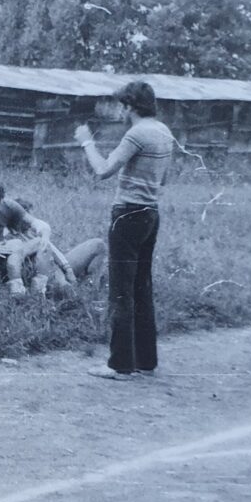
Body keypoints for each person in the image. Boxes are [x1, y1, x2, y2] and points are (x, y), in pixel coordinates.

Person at [74, 80, 174, 380]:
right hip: (150, 214)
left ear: (130, 106)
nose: (119, 110)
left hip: (127, 215)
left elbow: (103, 170)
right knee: (142, 289)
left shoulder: (137, 132)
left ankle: (119, 364)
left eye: (122, 105)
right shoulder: (164, 132)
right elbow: (164, 180)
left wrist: (86, 141)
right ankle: (145, 360)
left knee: (121, 291)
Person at [11, 197, 107, 298]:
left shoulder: (33, 230)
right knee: (65, 287)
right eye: (27, 216)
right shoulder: (10, 238)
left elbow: (53, 251)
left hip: (60, 265)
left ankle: (91, 286)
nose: (31, 220)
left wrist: (67, 269)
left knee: (98, 244)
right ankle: (76, 294)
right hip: (45, 276)